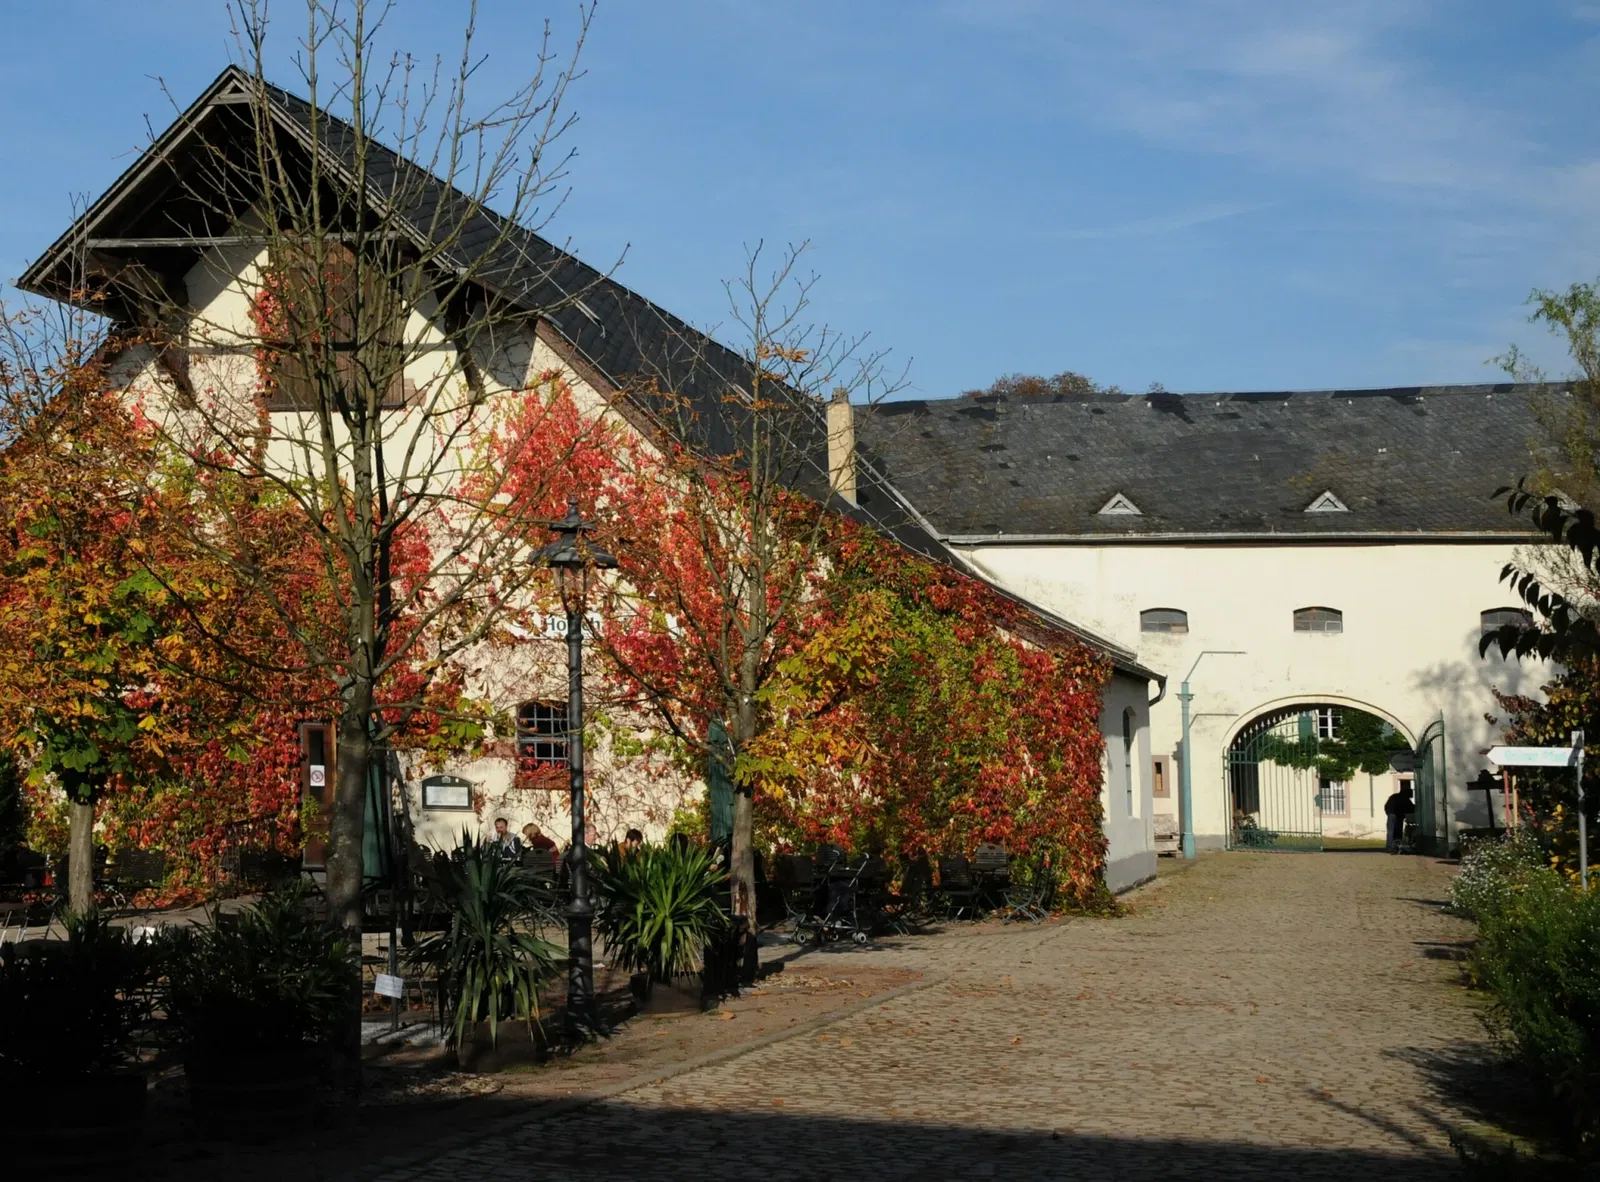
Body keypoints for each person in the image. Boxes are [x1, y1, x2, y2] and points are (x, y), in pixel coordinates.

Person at [1384, 784, 1415, 853]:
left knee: (1390, 831)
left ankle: (1389, 846)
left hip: (1391, 814)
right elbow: (1411, 808)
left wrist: (1388, 813)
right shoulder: (1405, 798)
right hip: (1398, 816)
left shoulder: (1393, 796)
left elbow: (1386, 805)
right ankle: (1396, 846)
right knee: (1398, 831)